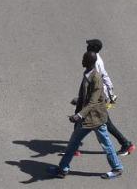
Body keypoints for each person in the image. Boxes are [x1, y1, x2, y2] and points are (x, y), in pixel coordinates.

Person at [49, 51, 125, 180]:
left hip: (96, 118)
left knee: (106, 143)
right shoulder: (87, 73)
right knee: (73, 143)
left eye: (84, 58)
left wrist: (79, 115)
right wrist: (78, 100)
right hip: (87, 118)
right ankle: (63, 169)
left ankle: (117, 168)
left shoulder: (96, 77)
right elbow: (87, 95)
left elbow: (93, 101)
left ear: (90, 62)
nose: (82, 60)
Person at [86, 38, 136, 156]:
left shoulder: (96, 62)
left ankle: (126, 144)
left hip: (98, 96)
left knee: (103, 122)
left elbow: (102, 77)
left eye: (88, 46)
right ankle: (74, 147)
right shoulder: (93, 58)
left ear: (92, 49)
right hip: (96, 95)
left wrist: (108, 93)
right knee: (86, 120)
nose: (86, 47)